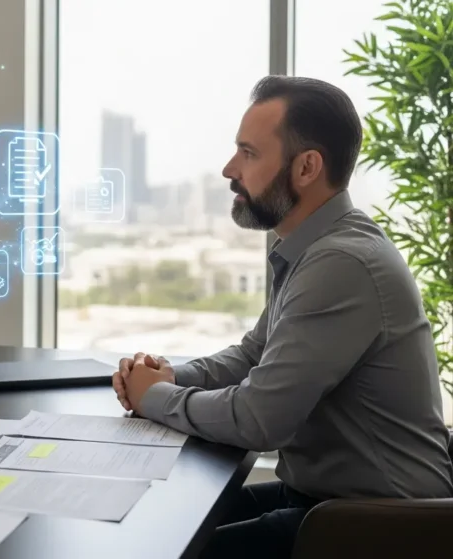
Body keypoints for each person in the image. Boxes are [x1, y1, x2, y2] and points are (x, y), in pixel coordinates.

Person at [112, 76, 453, 558]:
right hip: (331, 505)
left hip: (382, 527)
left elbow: (257, 419)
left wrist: (156, 398)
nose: (230, 169)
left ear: (307, 167)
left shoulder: (343, 262)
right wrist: (165, 376)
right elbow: (255, 353)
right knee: (156, 524)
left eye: (248, 153)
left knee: (164, 549)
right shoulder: (312, 248)